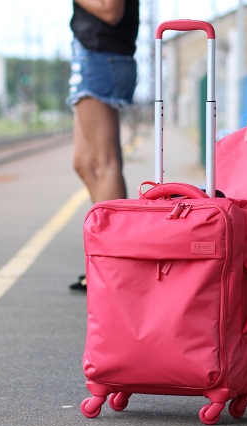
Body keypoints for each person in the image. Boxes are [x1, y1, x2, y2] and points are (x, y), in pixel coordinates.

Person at [66, 0, 140, 292]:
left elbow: (110, 9)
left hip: (100, 58)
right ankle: (108, 258)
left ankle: (117, 264)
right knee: (85, 163)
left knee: (105, 164)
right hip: (94, 56)